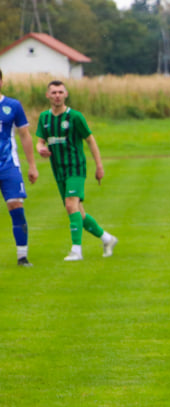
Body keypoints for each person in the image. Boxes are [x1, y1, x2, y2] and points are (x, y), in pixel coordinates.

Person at [36, 80, 117, 261]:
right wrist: (39, 149)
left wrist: (99, 166)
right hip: (58, 170)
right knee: (78, 212)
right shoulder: (44, 118)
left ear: (66, 94)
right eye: (54, 92)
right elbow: (40, 140)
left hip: (76, 168)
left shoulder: (75, 117)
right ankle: (107, 239)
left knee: (70, 204)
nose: (57, 95)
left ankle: (76, 250)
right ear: (48, 95)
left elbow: (90, 140)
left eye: (60, 92)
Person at [0, 69, 39, 266]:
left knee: (16, 207)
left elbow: (24, 135)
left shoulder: (12, 105)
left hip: (8, 166)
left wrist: (32, 165)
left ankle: (22, 256)